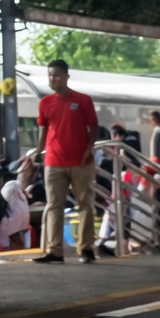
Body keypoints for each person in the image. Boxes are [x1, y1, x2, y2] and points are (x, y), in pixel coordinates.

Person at [33, 59, 99, 264]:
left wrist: (89, 150)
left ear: (66, 77)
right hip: (53, 161)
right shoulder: (45, 103)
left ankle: (86, 249)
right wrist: (38, 151)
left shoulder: (83, 100)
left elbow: (93, 127)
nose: (53, 79)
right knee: (54, 205)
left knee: (85, 204)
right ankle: (55, 251)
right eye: (50, 75)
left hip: (81, 161)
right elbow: (44, 129)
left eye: (57, 75)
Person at [0, 161, 32, 250]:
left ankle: (7, 247)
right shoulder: (19, 191)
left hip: (14, 220)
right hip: (24, 220)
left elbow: (3, 199)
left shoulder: (9, 187)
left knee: (1, 225)